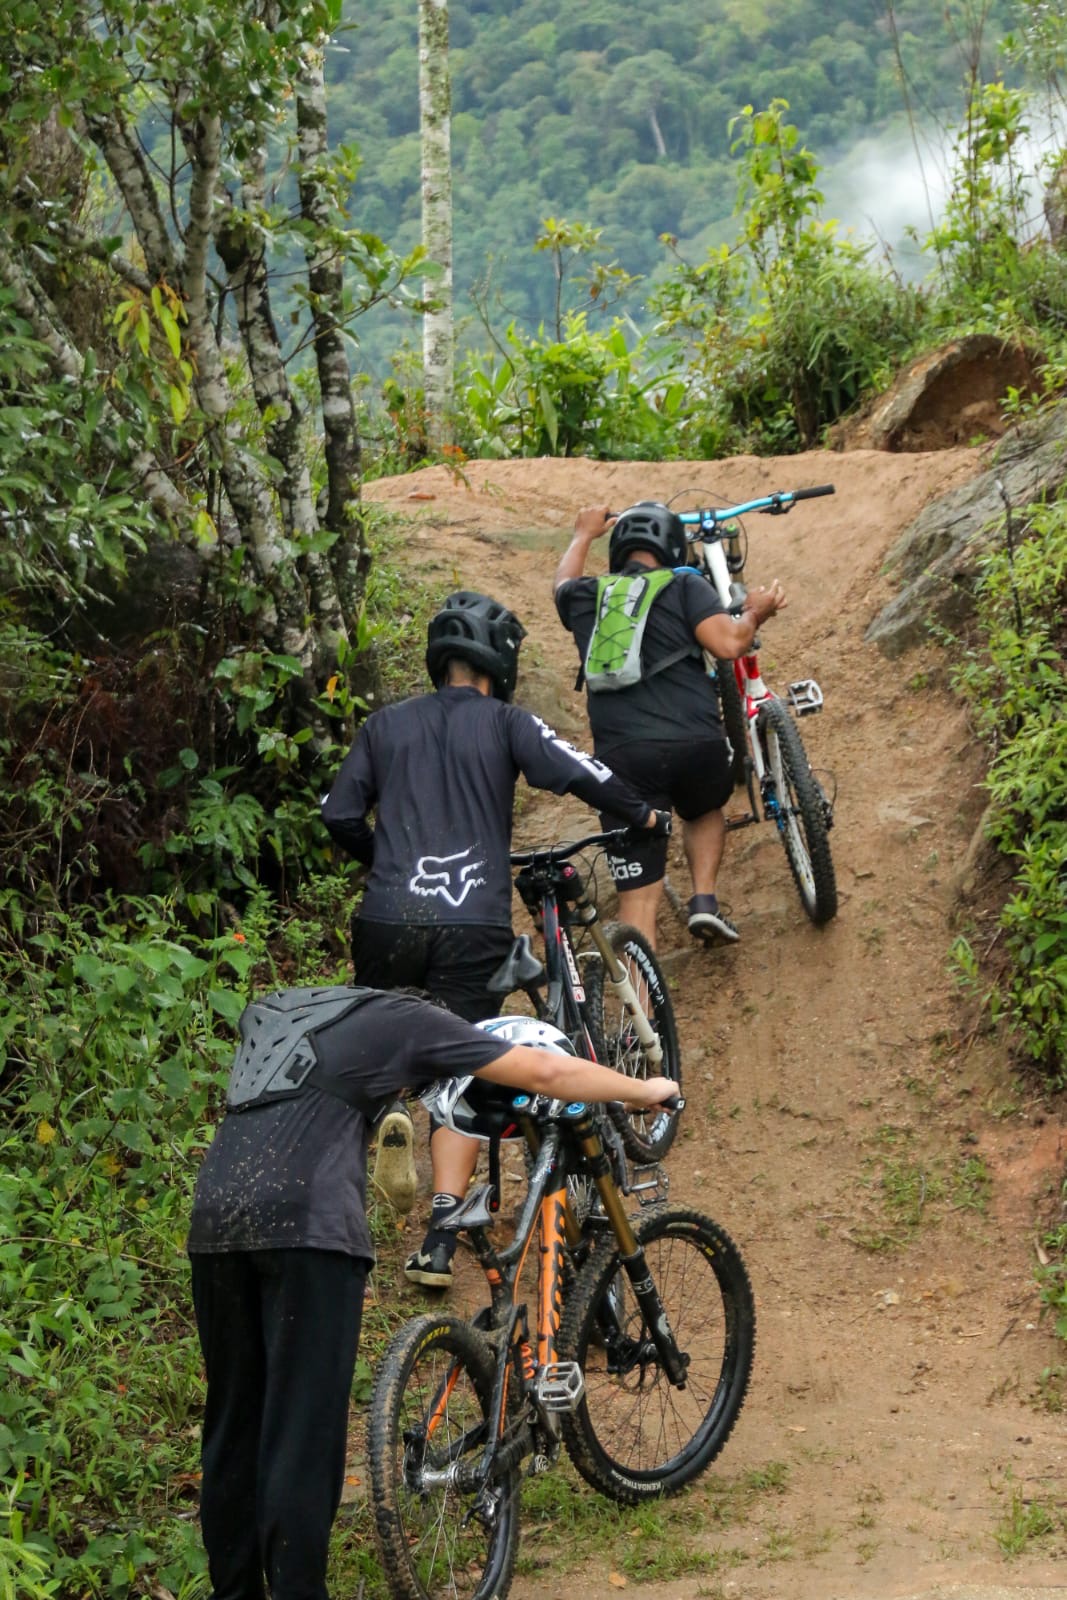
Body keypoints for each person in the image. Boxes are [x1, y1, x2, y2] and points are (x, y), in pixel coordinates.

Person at [187, 982, 679, 1600]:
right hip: (308, 1227)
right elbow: (545, 1068)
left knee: (233, 1424)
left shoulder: (291, 1010)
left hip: (214, 1217)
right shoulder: (410, 1020)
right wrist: (643, 1090)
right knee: (302, 1436)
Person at [320, 589, 668, 1288]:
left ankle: (382, 1121)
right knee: (465, 1068)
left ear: (438, 660)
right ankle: (441, 1237)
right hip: (469, 924)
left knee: (378, 1043)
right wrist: (643, 814)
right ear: (498, 663)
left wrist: (385, 862)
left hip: (386, 918)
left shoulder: (385, 725)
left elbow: (337, 813)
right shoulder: (506, 722)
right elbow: (580, 771)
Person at [554, 502, 788, 951]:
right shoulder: (685, 583)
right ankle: (704, 899)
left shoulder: (588, 596)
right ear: (675, 548)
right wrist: (756, 611)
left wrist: (583, 533)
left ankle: (640, 1016)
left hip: (623, 761)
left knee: (637, 906)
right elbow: (729, 643)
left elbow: (561, 584)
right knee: (703, 809)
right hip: (695, 744)